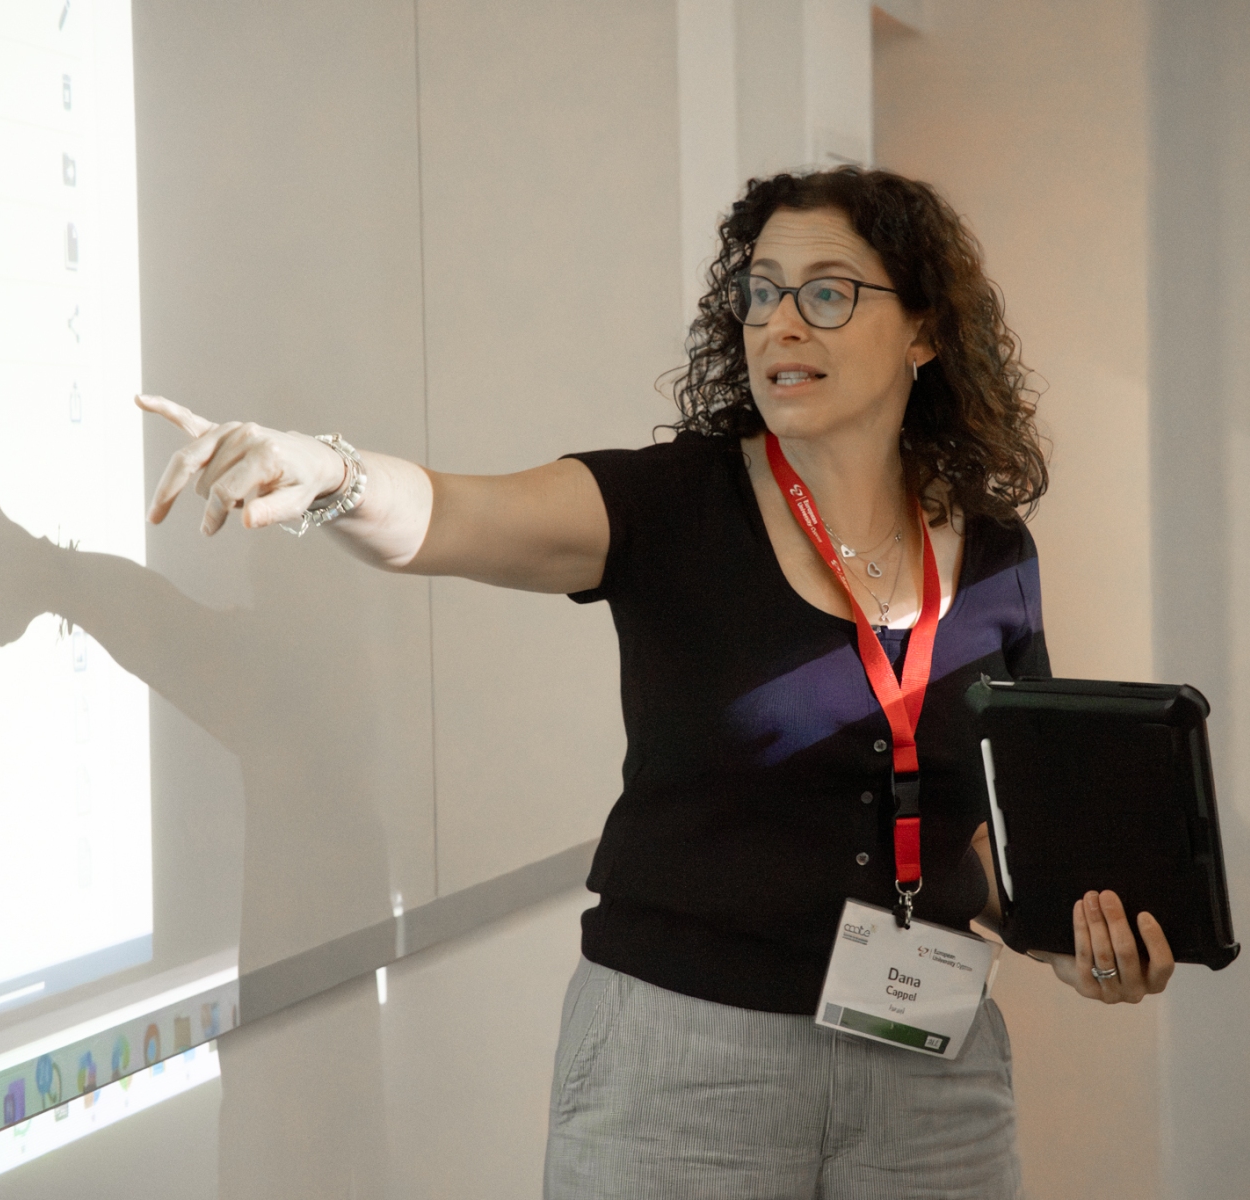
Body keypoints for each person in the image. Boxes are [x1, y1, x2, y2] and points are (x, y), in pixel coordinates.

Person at [141, 166, 1175, 1199]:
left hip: (931, 1085)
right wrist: (332, 474)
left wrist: (1068, 940)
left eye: (827, 292)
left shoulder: (995, 554)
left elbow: (995, 830)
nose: (782, 323)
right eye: (761, 292)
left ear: (924, 331)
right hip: (684, 1075)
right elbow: (451, 515)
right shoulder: (670, 505)